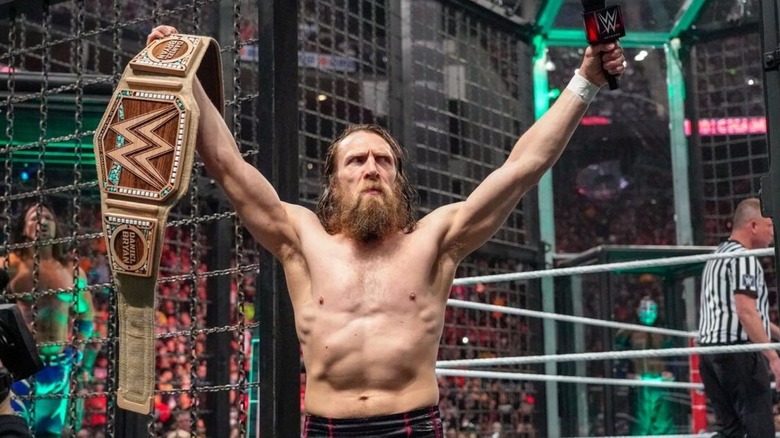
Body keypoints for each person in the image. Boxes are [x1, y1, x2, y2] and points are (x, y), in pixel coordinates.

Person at [147, 25, 625, 436]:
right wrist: (179, 74)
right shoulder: (302, 239)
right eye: (356, 160)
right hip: (327, 426)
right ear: (334, 181)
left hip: (412, 424)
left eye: (385, 161)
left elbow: (524, 166)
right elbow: (228, 167)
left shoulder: (436, 239)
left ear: (398, 178)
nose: (372, 168)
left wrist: (586, 80)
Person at [0, 203, 95, 437]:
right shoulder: (9, 265)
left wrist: (77, 352)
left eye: (47, 219)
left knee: (50, 432)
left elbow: (87, 318)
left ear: (56, 228)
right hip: (20, 368)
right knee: (15, 430)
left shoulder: (72, 271)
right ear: (23, 228)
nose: (41, 223)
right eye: (34, 218)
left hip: (58, 368)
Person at [698, 197, 780, 437]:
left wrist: (775, 332)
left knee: (730, 432)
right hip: (737, 354)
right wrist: (773, 358)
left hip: (710, 356)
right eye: (769, 226)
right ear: (753, 226)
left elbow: (740, 310)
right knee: (760, 429)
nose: (773, 233)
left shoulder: (718, 255)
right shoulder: (744, 258)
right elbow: (745, 312)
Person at [614, 297, 674, 435]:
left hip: (660, 383)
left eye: (651, 309)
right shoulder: (627, 333)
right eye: (644, 309)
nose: (648, 313)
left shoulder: (664, 334)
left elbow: (674, 357)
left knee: (662, 422)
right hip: (640, 384)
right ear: (637, 310)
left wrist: (671, 372)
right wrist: (624, 375)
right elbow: (617, 357)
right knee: (641, 423)